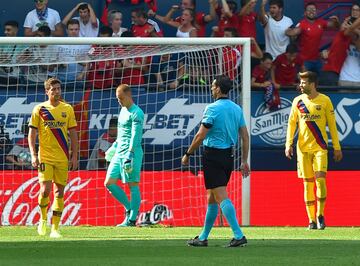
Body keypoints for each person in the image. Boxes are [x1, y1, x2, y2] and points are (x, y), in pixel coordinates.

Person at [182, 75, 250, 247]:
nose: (211, 89)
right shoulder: (236, 109)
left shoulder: (212, 108)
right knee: (211, 197)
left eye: (213, 86)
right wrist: (244, 161)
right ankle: (203, 237)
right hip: (229, 156)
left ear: (219, 88)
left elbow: (200, 135)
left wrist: (188, 153)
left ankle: (238, 235)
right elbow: (245, 136)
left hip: (213, 156)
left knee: (220, 196)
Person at [285, 71, 342, 230]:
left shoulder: (325, 101)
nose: (301, 85)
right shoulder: (297, 101)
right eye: (300, 82)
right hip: (302, 149)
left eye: (304, 83)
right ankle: (311, 220)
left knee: (321, 181)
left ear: (312, 84)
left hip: (320, 148)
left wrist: (337, 147)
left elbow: (332, 125)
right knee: (307, 185)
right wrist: (288, 144)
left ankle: (320, 215)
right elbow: (291, 124)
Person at [28, 77, 78, 238]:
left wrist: (75, 156)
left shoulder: (68, 109)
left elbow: (73, 134)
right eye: (53, 89)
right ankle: (43, 219)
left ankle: (55, 228)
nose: (57, 92)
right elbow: (32, 134)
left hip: (62, 157)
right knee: (45, 190)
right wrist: (33, 155)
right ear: (47, 91)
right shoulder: (39, 109)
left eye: (58, 89)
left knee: (59, 193)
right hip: (45, 157)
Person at [104, 84, 144, 227]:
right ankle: (129, 209)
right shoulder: (122, 111)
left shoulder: (137, 113)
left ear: (128, 95)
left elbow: (135, 135)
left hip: (131, 153)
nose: (119, 101)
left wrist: (130, 153)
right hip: (119, 152)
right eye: (117, 98)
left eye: (120, 98)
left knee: (132, 184)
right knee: (109, 183)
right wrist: (113, 147)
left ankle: (132, 219)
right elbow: (122, 133)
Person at [285, 2, 339, 74]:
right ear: (305, 13)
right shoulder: (302, 24)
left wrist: (336, 21)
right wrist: (288, 30)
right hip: (304, 61)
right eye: (309, 10)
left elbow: (334, 26)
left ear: (316, 12)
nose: (311, 11)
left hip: (317, 59)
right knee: (305, 83)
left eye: (313, 9)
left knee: (322, 82)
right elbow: (291, 33)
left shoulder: (321, 22)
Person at [148, 0, 216, 37]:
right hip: (185, 53)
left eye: (185, 4)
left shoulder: (199, 16)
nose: (182, 6)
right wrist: (154, 15)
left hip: (197, 53)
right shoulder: (181, 19)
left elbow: (211, 17)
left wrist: (212, 3)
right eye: (182, 4)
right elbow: (166, 20)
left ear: (192, 6)